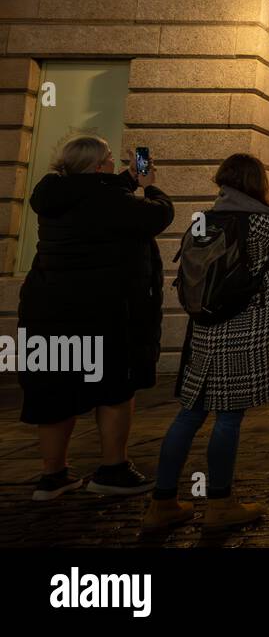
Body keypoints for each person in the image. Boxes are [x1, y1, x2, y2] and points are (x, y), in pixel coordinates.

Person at [142, 153, 269, 534]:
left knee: (190, 413)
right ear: (258, 184)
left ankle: (162, 501)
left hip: (205, 327)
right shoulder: (262, 221)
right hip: (247, 327)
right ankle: (220, 502)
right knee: (229, 417)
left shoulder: (204, 218)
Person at [19, 135, 173, 501]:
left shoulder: (52, 194)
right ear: (96, 166)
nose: (110, 163)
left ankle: (52, 475)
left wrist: (125, 180)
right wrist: (151, 188)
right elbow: (157, 215)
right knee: (115, 389)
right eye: (107, 159)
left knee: (54, 393)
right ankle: (112, 468)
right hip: (103, 311)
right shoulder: (109, 200)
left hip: (50, 310)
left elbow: (95, 195)